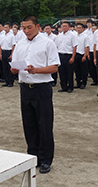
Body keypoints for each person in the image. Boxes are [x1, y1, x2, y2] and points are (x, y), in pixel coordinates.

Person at [10, 15, 60, 174]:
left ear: (37, 27)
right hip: (25, 88)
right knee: (29, 124)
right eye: (23, 28)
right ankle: (33, 156)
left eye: (29, 27)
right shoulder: (20, 44)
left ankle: (46, 159)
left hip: (41, 88)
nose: (26, 31)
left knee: (44, 124)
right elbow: (14, 65)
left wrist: (36, 70)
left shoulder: (48, 43)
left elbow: (54, 67)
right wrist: (14, 69)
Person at [55, 21, 77, 93]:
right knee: (62, 72)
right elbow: (57, 46)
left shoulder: (72, 35)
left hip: (69, 55)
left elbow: (74, 46)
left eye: (65, 26)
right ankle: (64, 86)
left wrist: (73, 57)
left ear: (69, 27)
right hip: (61, 55)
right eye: (63, 26)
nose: (64, 27)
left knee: (69, 72)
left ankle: (70, 87)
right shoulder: (59, 36)